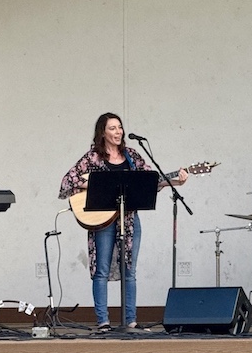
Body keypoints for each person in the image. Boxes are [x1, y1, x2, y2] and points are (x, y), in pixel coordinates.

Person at [59, 112, 187, 331]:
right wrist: (97, 185)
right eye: (112, 128)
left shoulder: (132, 156)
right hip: (103, 220)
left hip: (129, 220)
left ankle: (131, 320)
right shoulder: (93, 158)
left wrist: (175, 182)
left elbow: (150, 181)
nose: (118, 132)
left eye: (120, 127)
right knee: (101, 271)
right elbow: (67, 182)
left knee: (130, 271)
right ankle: (103, 321)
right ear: (102, 132)